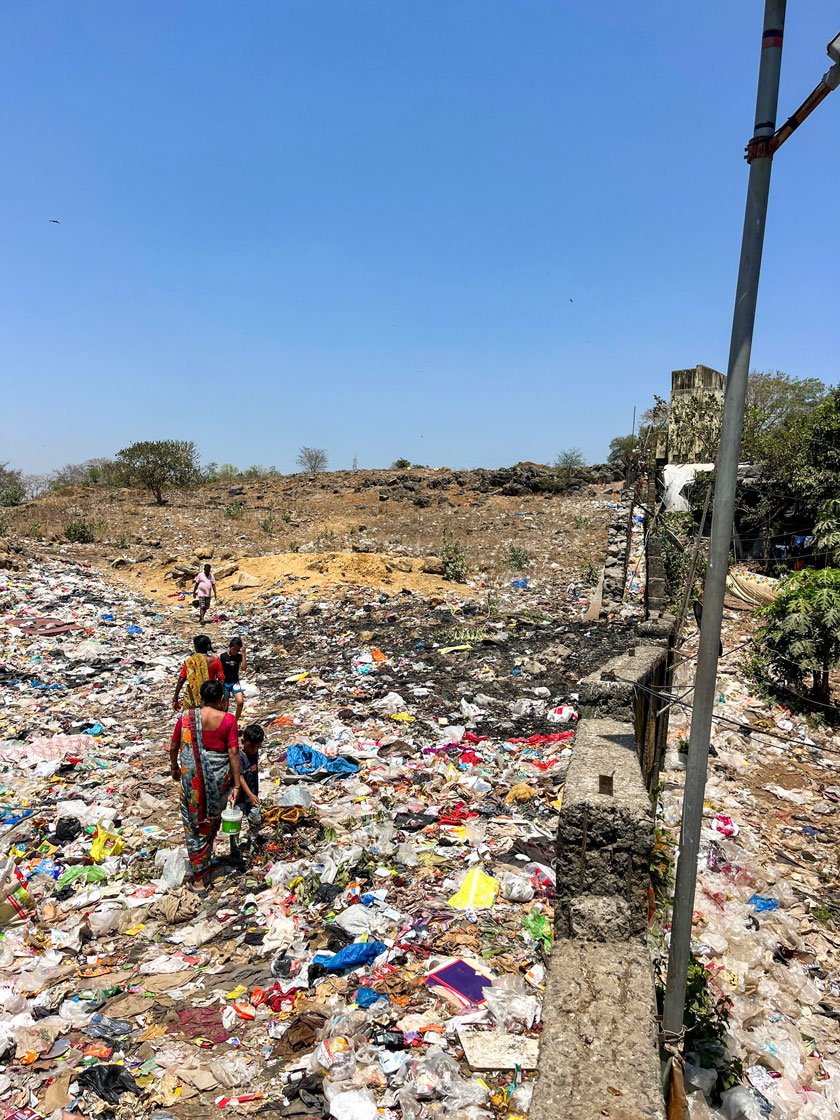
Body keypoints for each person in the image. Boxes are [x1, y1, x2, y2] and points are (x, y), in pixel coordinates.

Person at [169, 679, 243, 886]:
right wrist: (236, 784)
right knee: (209, 823)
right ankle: (203, 872)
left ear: (201, 698)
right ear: (221, 699)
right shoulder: (228, 720)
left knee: (193, 826)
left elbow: (174, 746)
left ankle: (199, 877)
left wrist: (175, 768)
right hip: (218, 781)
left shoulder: (186, 720)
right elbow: (233, 752)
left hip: (192, 781)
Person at [173, 635, 225, 712]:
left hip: (193, 697)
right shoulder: (215, 661)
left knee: (193, 720)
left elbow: (181, 679)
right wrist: (220, 697)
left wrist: (175, 697)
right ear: (208, 646)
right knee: (209, 719)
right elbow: (221, 680)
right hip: (210, 696)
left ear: (196, 647)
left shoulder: (191, 661)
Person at [220, 636, 247, 720]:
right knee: (225, 706)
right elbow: (219, 670)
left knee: (240, 702)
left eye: (237, 650)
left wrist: (243, 654)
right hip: (225, 683)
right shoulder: (223, 657)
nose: (235, 652)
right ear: (230, 647)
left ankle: (235, 721)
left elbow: (243, 668)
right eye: (234, 649)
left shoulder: (239, 657)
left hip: (235, 682)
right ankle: (223, 723)